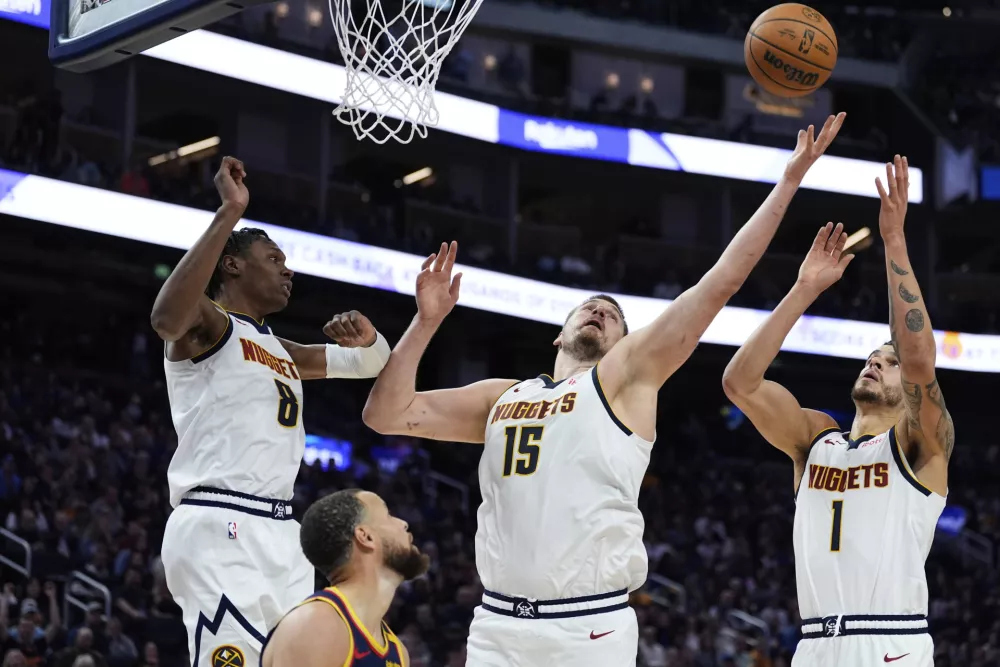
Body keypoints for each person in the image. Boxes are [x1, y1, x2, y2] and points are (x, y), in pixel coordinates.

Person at [362, 114, 846, 667]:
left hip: (587, 628)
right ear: (558, 332)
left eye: (613, 315)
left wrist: (788, 181)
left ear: (625, 343)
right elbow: (385, 414)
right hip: (496, 626)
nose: (599, 310)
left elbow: (720, 283)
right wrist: (425, 323)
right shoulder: (504, 397)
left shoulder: (624, 379)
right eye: (588, 307)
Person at [150, 157, 392, 667]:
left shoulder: (282, 349)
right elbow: (165, 317)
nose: (288, 269)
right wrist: (229, 214)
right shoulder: (209, 328)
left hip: (282, 530)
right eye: (274, 257)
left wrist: (370, 338)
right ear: (233, 264)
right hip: (220, 519)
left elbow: (368, 364)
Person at [721, 156, 952, 667]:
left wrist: (895, 242)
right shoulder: (816, 440)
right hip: (815, 645)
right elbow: (740, 382)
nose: (876, 362)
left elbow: (919, 360)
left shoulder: (920, 445)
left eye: (887, 363)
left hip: (891, 642)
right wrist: (804, 289)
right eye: (872, 357)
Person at [260, 490, 430, 667]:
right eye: (388, 515)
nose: (403, 523)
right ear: (366, 537)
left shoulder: (398, 652)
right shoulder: (317, 625)